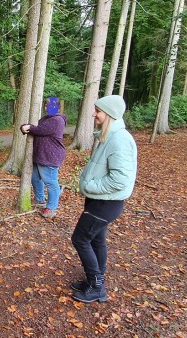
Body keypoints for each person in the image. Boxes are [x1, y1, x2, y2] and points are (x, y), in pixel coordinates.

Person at [70, 95, 137, 303]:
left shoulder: (120, 140)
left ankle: (97, 286)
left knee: (80, 238)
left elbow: (120, 180)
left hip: (106, 203)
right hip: (100, 200)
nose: (93, 114)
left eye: (97, 111)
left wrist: (89, 186)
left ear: (108, 114)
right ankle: (94, 280)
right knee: (97, 240)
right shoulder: (107, 136)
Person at [20, 97, 67, 218]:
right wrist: (28, 128)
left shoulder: (57, 120)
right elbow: (38, 130)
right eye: (46, 105)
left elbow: (40, 130)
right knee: (35, 178)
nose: (47, 108)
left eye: (51, 106)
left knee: (51, 182)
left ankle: (51, 208)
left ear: (57, 107)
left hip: (51, 155)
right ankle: (40, 199)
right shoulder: (47, 118)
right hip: (41, 155)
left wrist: (27, 127)